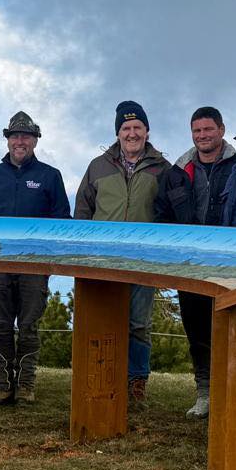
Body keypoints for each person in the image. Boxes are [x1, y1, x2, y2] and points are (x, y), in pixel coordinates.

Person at [73, 100, 171, 404]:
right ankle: (100, 380)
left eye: (137, 127)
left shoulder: (162, 168)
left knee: (139, 325)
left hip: (143, 260)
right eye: (126, 128)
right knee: (101, 321)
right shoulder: (97, 167)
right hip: (102, 260)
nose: (132, 133)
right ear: (118, 133)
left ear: (147, 130)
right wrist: (82, 255)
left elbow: (168, 214)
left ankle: (136, 384)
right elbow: (82, 212)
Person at [0, 110, 71, 406]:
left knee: (29, 326)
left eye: (26, 136)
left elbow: (61, 222)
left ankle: (26, 384)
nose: (20, 141)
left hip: (34, 266)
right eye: (15, 136)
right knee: (0, 325)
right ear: (7, 140)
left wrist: (47, 262)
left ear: (35, 141)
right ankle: (2, 384)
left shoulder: (50, 176)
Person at [158, 106, 236, 418]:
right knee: (197, 333)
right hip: (189, 266)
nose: (203, 136)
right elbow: (162, 216)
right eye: (197, 131)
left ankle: (231, 395)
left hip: (231, 267)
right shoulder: (177, 173)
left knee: (232, 331)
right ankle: (204, 394)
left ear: (221, 130)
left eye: (208, 129)